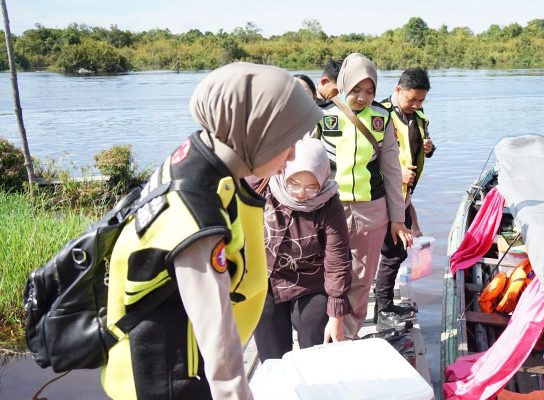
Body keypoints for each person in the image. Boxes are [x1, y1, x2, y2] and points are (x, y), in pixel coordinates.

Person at [101, 62, 322, 399]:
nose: (293, 155)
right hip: (165, 381)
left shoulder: (191, 159)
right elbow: (220, 353)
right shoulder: (196, 215)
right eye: (287, 141)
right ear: (255, 132)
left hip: (144, 363)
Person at [314, 53, 413, 339]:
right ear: (344, 83)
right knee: (328, 272)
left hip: (372, 210)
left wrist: (397, 219)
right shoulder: (323, 115)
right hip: (328, 208)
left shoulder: (383, 119)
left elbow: (392, 172)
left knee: (360, 277)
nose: (362, 97)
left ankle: (348, 334)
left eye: (369, 91)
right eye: (356, 89)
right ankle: (324, 332)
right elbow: (303, 162)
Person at [249, 138, 352, 361]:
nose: (301, 193)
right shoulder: (262, 187)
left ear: (323, 179)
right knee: (272, 354)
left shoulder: (330, 204)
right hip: (266, 279)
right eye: (293, 183)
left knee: (314, 343)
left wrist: (337, 314)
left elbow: (338, 259)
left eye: (311, 186)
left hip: (310, 282)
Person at [374, 68, 436, 326]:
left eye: (421, 100)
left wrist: (430, 148)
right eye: (412, 99)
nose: (416, 105)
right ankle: (382, 310)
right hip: (384, 194)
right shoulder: (380, 114)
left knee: (398, 253)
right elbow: (367, 156)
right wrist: (394, 172)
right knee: (392, 252)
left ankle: (384, 305)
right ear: (398, 89)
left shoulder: (419, 117)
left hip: (404, 196)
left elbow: (422, 147)